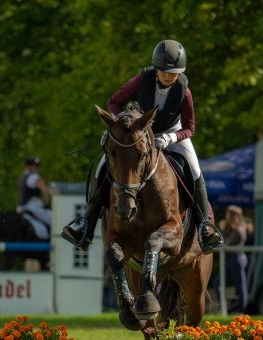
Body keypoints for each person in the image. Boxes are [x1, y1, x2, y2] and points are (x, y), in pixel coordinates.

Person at [62, 39, 223, 253]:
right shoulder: (141, 80)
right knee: (103, 164)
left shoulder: (184, 92)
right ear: (156, 68)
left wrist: (170, 139)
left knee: (195, 170)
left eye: (174, 73)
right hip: (137, 133)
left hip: (172, 134)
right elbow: (113, 102)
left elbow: (190, 127)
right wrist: (126, 125)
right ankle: (86, 224)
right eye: (165, 71)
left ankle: (205, 226)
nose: (169, 76)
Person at [221, 205, 249, 312]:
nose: (226, 216)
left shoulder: (240, 228)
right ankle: (227, 309)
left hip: (238, 259)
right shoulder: (229, 227)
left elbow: (226, 243)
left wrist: (223, 231)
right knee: (217, 283)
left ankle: (242, 311)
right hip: (231, 259)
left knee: (241, 286)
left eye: (228, 214)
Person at [16, 156, 51, 230]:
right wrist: (47, 204)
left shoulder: (21, 178)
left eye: (37, 166)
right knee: (55, 221)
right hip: (33, 208)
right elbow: (46, 191)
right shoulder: (34, 177)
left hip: (20, 209)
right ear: (28, 166)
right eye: (34, 165)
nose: (37, 168)